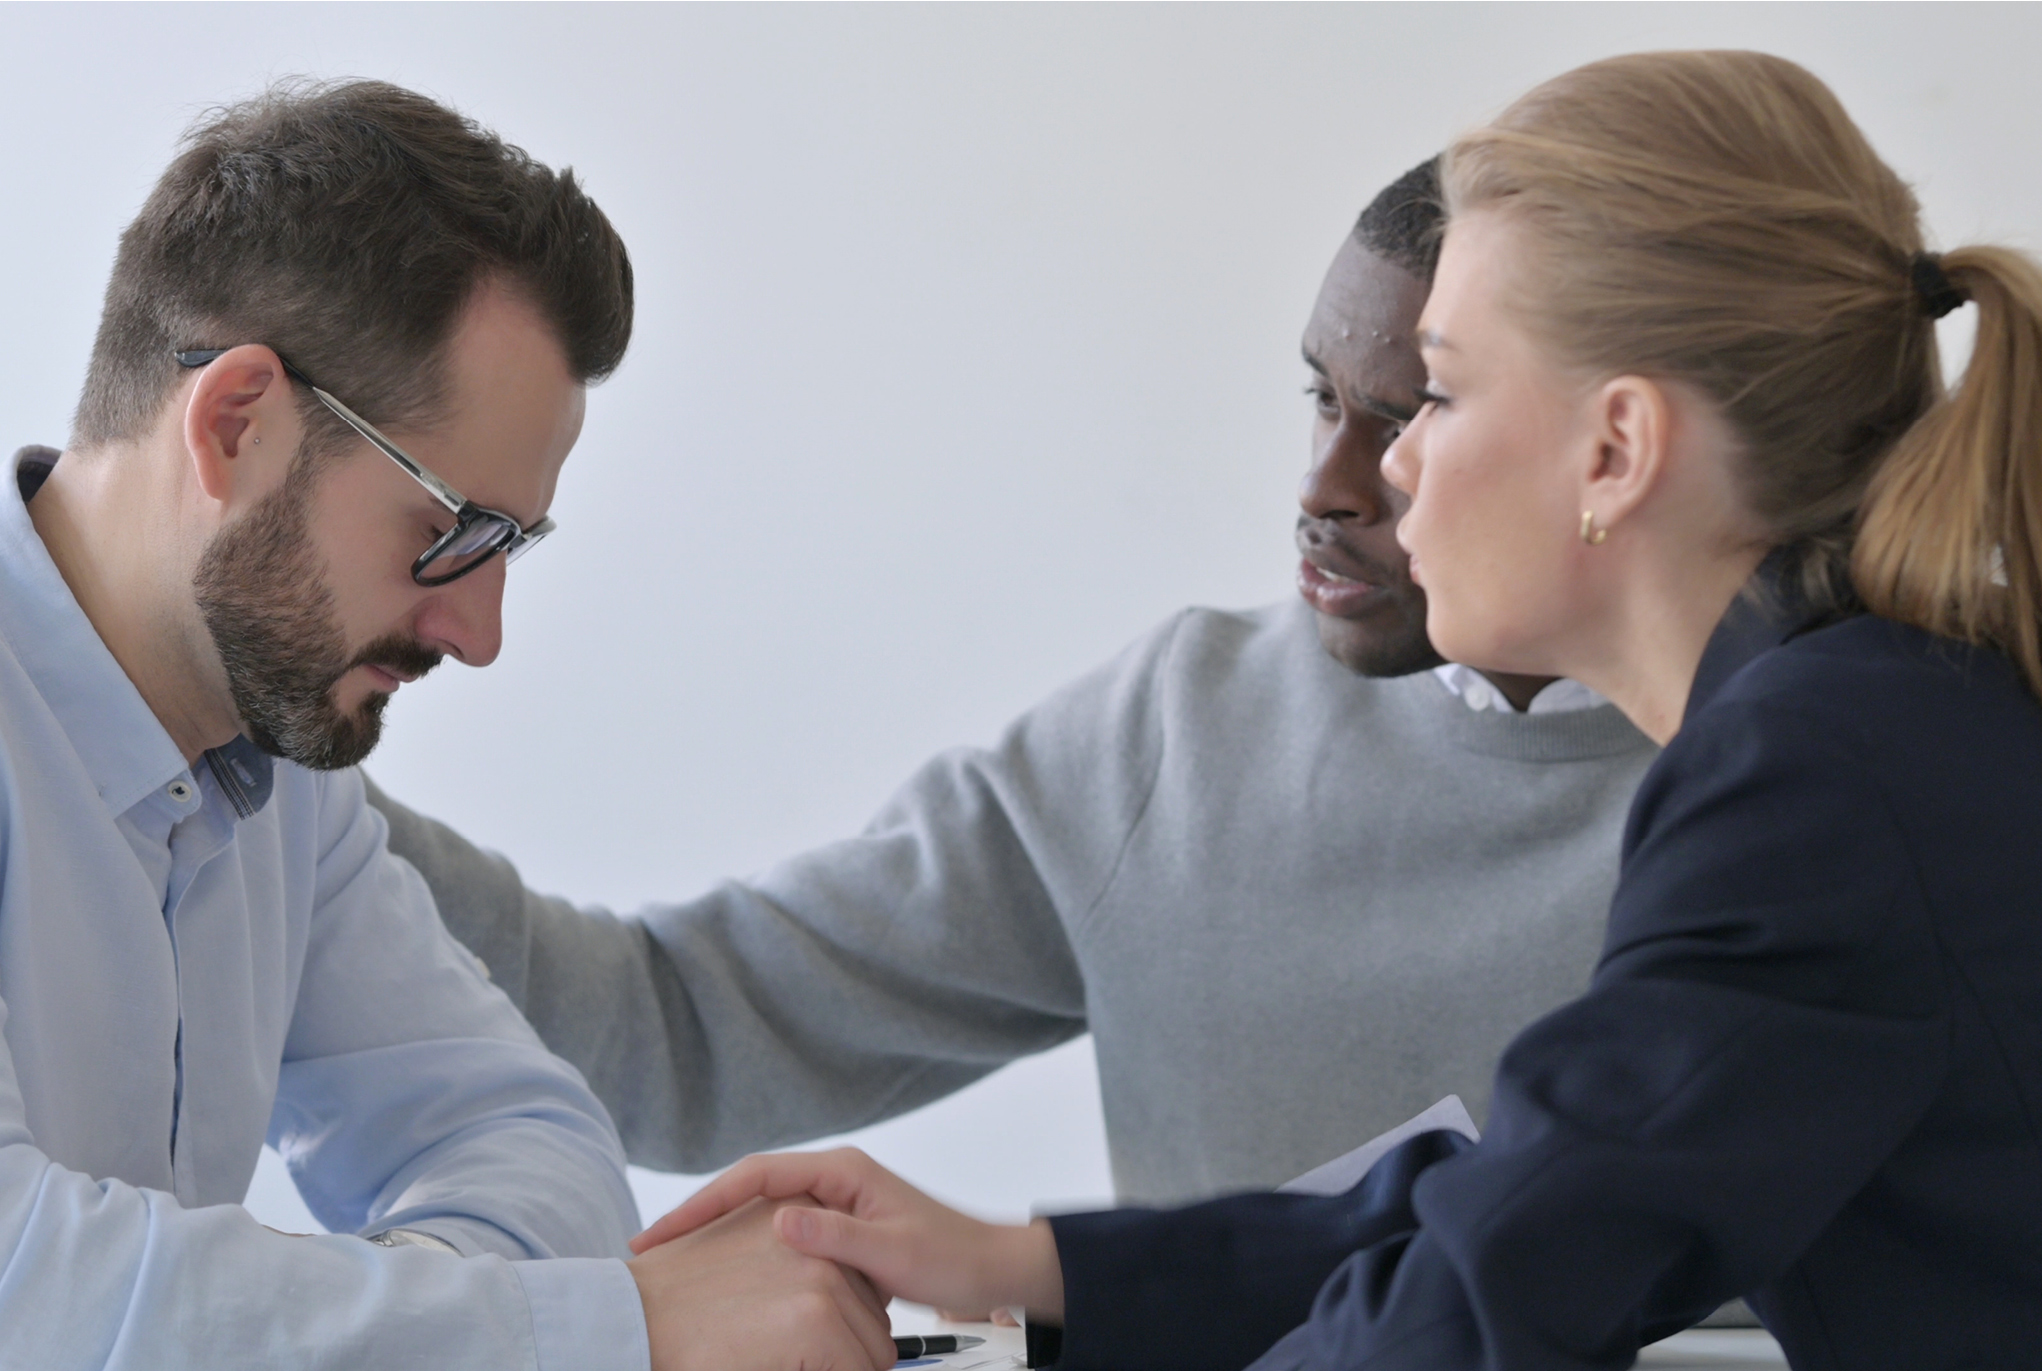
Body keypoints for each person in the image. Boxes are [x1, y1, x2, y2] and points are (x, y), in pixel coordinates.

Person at [646, 48, 2042, 1370]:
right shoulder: (1872, 718)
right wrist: (1021, 1272)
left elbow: (1493, 1300)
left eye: (1431, 394)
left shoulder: (1807, 781)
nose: (1381, 470)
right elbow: (1526, 1196)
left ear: (1614, 450)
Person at [365, 158, 1658, 1208]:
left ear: (1608, 448)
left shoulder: (1802, 779)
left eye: (1410, 417)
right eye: (1320, 398)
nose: (1323, 487)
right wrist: (283, 776)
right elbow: (678, 1030)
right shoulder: (1182, 734)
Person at [0, 81, 894, 1371]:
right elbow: (28, 1293)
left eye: (512, 546)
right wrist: (599, 1328)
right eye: (450, 533)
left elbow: (535, 1140)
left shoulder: (281, 773)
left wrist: (424, 1322)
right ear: (235, 422)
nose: (478, 632)